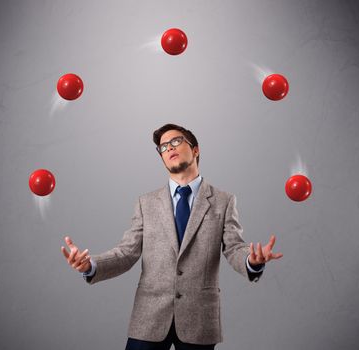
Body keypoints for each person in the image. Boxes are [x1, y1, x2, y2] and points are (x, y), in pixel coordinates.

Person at [61, 123, 283, 350]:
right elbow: (126, 253)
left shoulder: (223, 201)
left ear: (195, 149)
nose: (169, 148)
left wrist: (252, 261)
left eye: (176, 141)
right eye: (163, 146)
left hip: (199, 319)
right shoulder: (145, 203)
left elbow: (234, 247)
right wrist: (91, 265)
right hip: (149, 317)